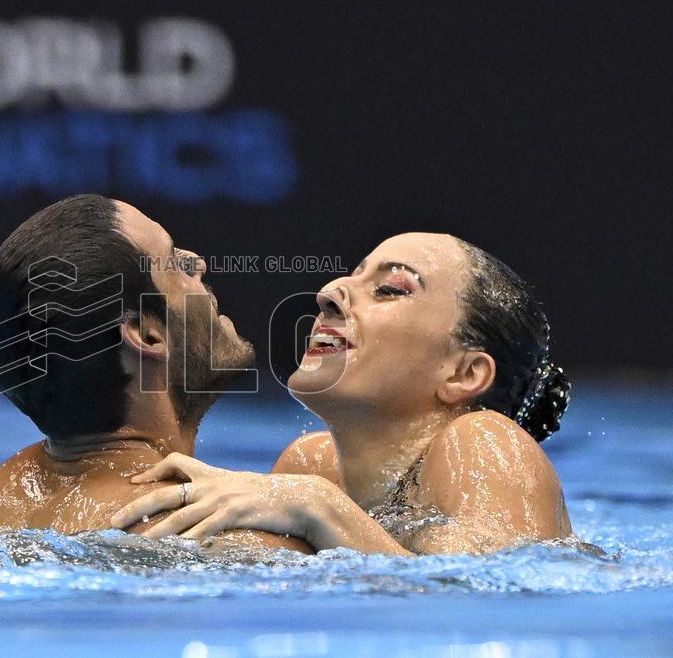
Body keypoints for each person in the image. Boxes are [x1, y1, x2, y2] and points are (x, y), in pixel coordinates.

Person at [111, 232, 573, 555]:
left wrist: (318, 507)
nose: (329, 292)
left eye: (390, 289)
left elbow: (492, 606)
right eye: (351, 276)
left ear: (464, 373)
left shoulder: (488, 443)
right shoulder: (313, 464)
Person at [0, 194, 310, 552]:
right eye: (175, 263)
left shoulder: (6, 490)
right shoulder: (222, 537)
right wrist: (327, 506)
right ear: (147, 335)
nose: (199, 264)